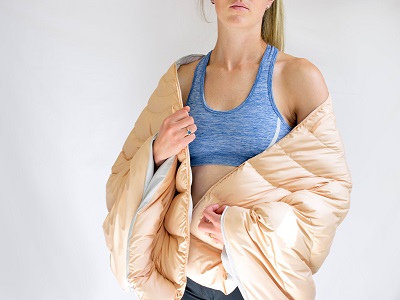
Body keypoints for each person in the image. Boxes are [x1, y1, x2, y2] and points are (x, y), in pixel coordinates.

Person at [102, 1, 352, 299]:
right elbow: (121, 178)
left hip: (253, 279)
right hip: (182, 281)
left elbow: (329, 194)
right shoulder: (180, 80)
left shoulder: (298, 77)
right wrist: (156, 152)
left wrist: (240, 231)